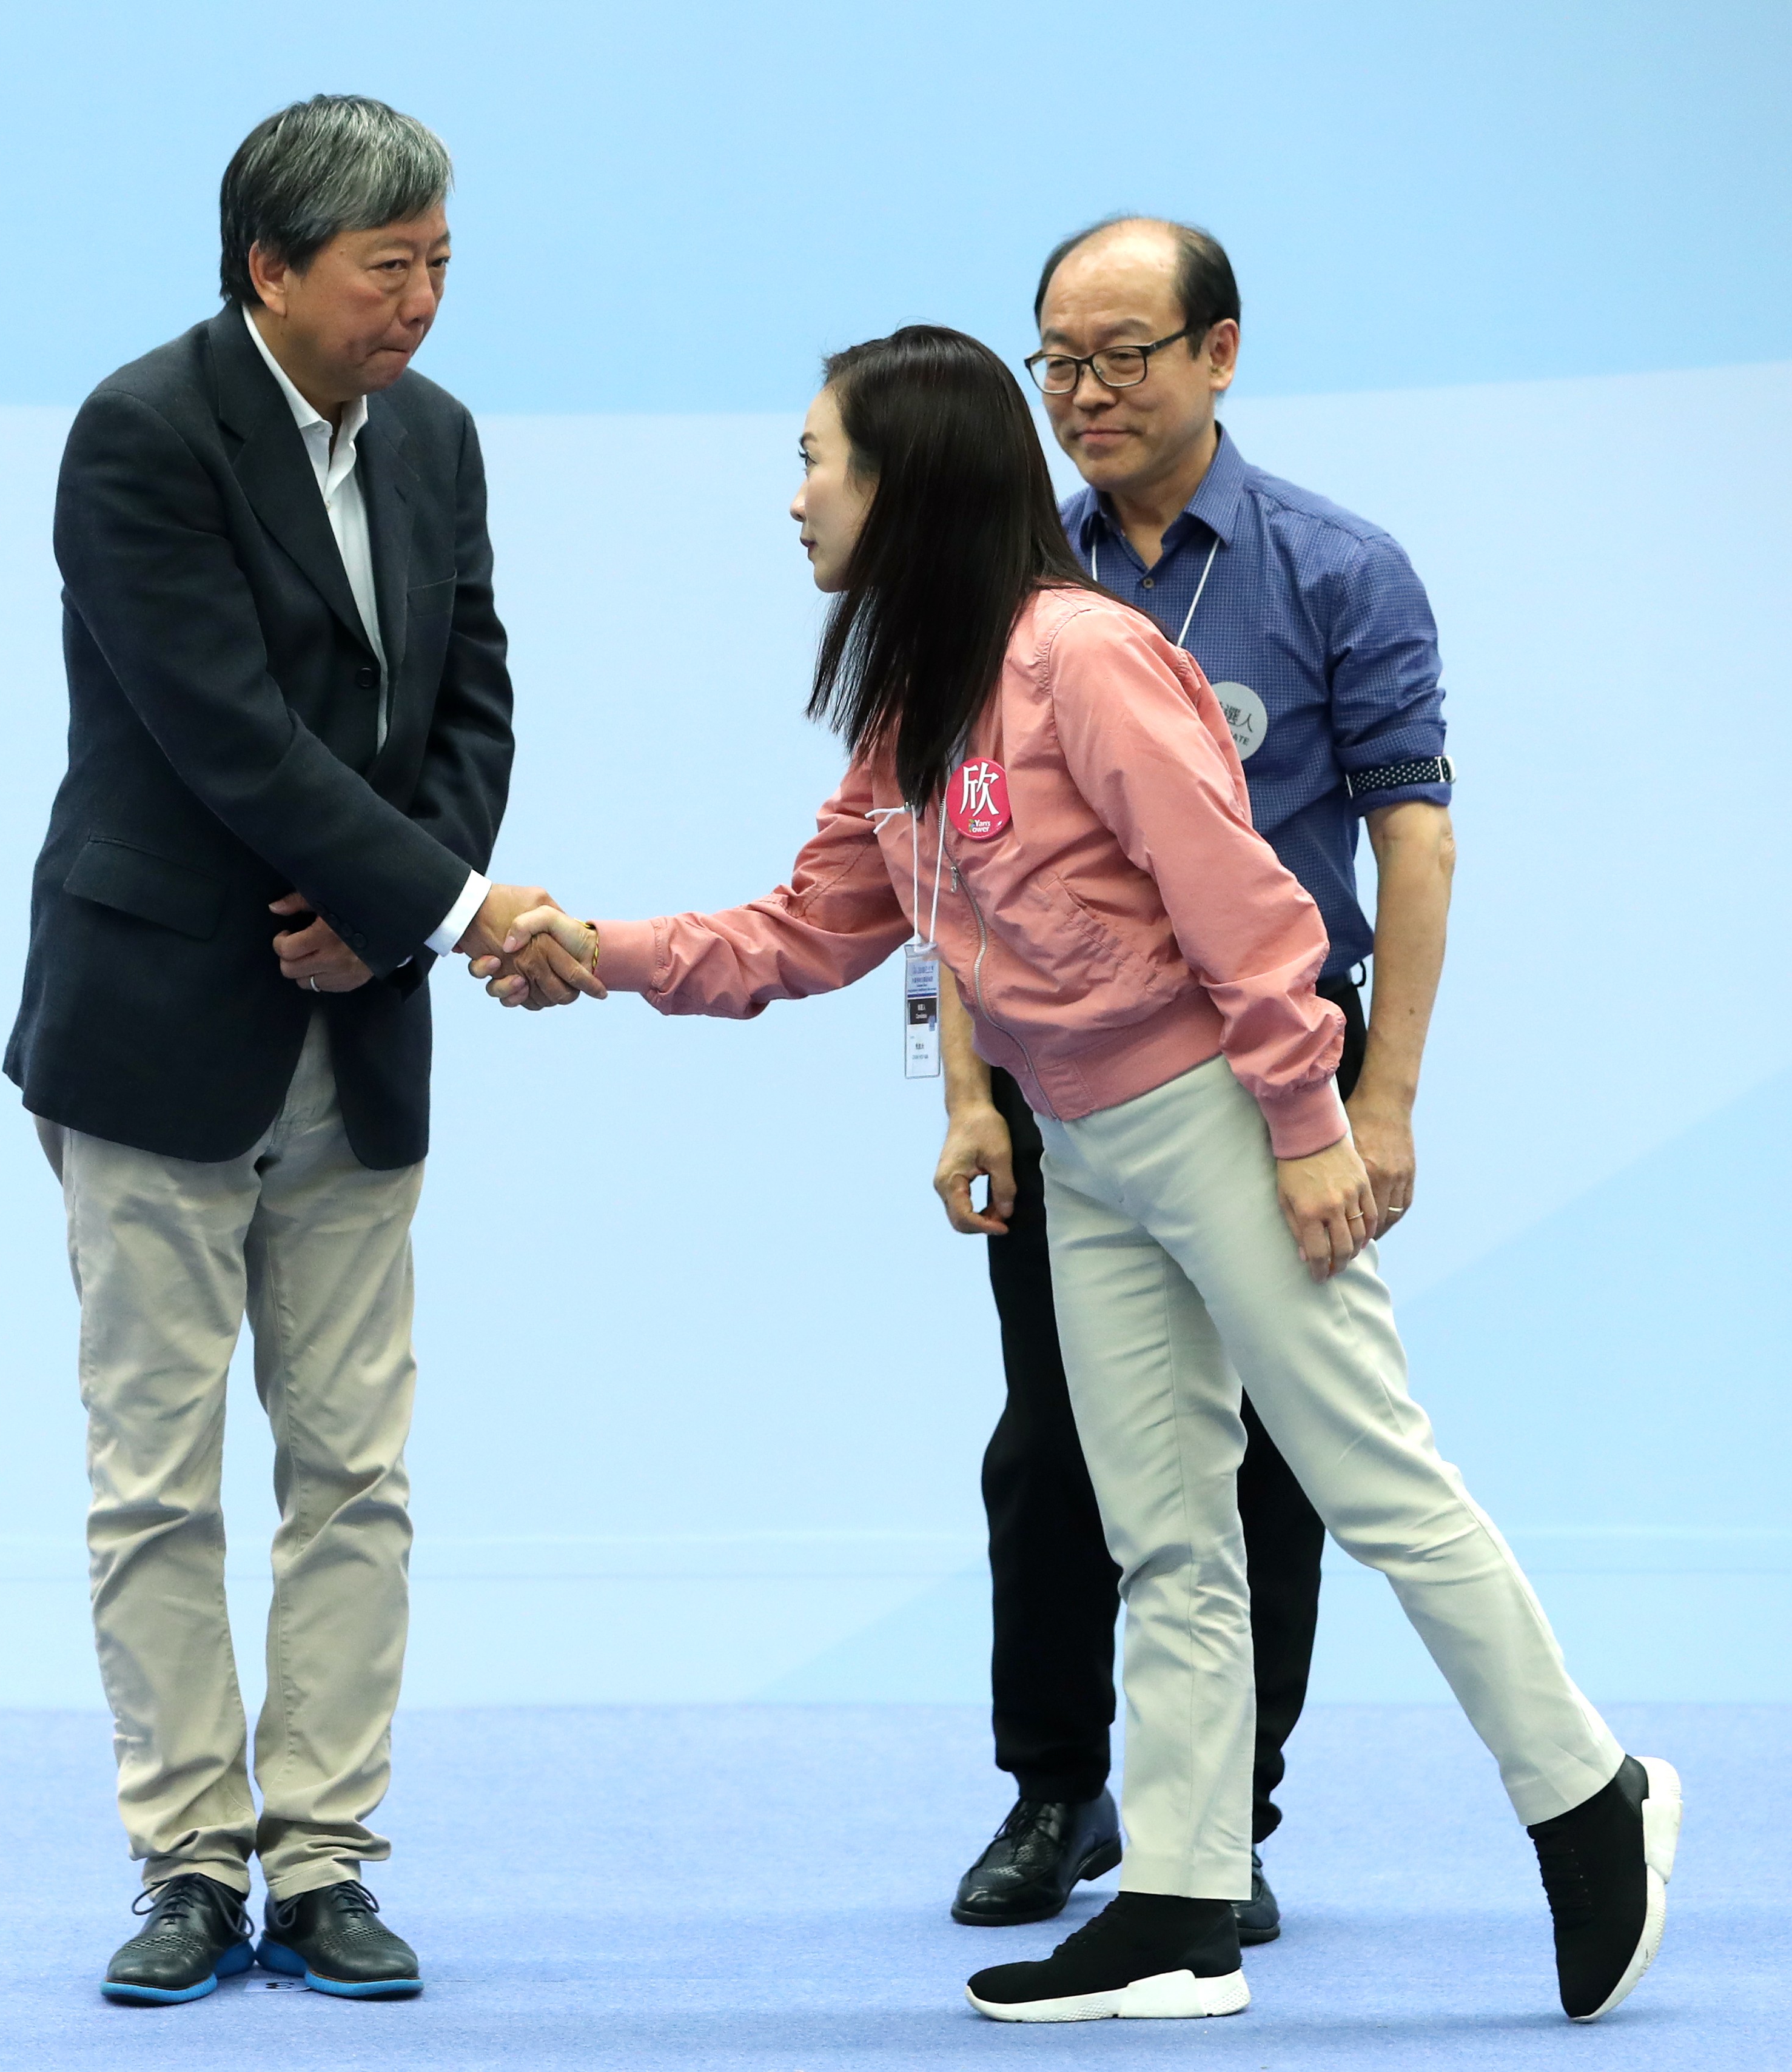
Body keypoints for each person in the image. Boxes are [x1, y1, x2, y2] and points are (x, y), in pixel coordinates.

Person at [480, 326, 1678, 2027]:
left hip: (1218, 1114)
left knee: (1370, 1479)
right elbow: (804, 929)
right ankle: (1180, 1905)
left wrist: (1310, 1124)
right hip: (1081, 1144)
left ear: (912, 483)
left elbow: (1247, 908)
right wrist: (585, 947)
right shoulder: (914, 697)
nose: (795, 495)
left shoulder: (1078, 660)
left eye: (817, 458)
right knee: (1163, 1530)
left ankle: (1588, 1798)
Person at [6, 96, 561, 2005]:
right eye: (383, 270)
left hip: (361, 1027)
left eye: (438, 268)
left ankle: (323, 1858)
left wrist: (399, 907)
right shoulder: (141, 433)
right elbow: (219, 730)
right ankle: (183, 1857)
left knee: (356, 1471)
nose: (418, 304)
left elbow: (474, 696)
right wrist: (460, 910)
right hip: (160, 1025)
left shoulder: (441, 440)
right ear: (268, 267)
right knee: (153, 1477)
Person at [935, 216, 1458, 1942]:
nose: (1082, 393)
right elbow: (942, 857)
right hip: (1053, 1078)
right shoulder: (1014, 583)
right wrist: (960, 1094)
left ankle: (1221, 1819)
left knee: (1278, 1456)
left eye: (1121, 356)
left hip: (1263, 1077)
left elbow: (1410, 839)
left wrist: (1374, 1104)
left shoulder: (1334, 568)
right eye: (1055, 363)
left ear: (1217, 354)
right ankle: (1052, 1790)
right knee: (1055, 1448)